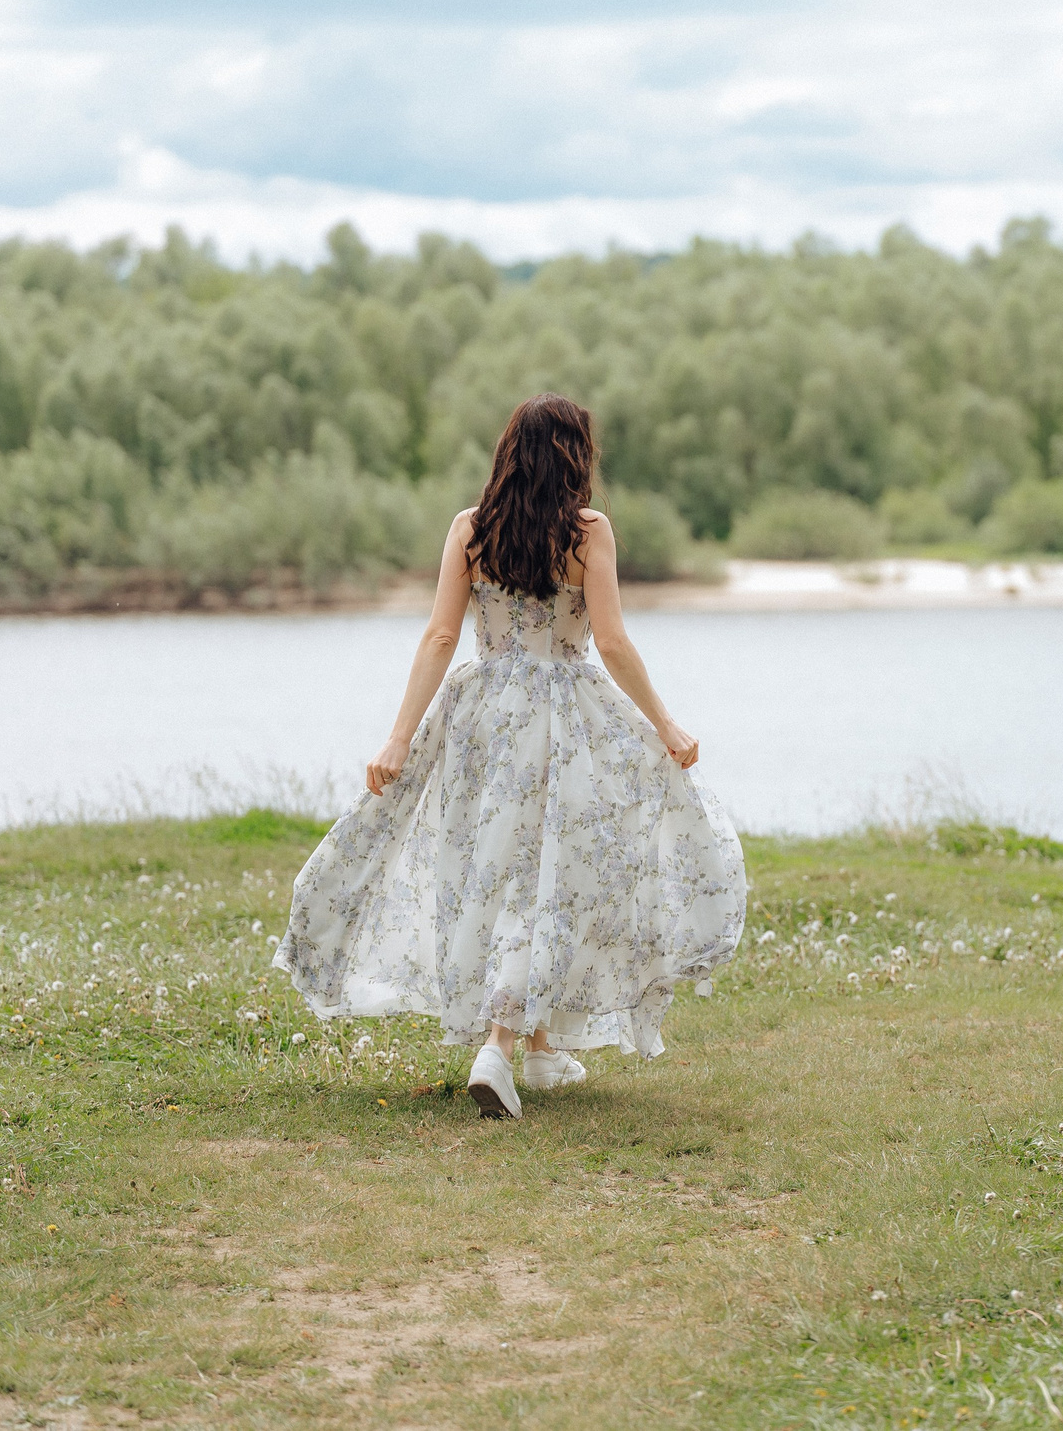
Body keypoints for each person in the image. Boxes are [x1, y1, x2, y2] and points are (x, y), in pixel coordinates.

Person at [273, 393, 745, 1118]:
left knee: (506, 873)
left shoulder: (471, 528)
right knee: (545, 876)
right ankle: (497, 1046)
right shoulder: (588, 532)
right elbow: (612, 642)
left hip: (482, 719)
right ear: (574, 455)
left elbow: (439, 637)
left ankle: (543, 1049)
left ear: (508, 453)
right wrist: (667, 723)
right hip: (563, 719)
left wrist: (400, 736)